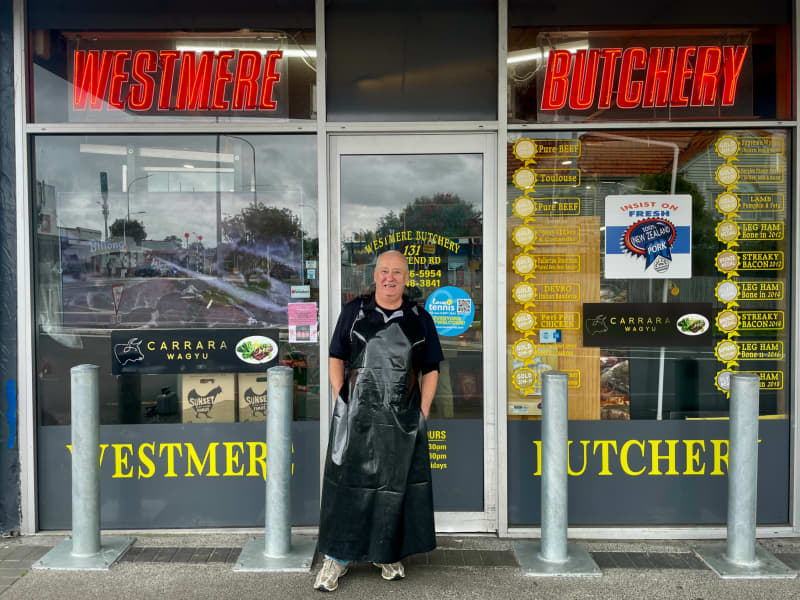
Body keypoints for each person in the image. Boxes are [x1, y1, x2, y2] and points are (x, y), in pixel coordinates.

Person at [314, 250, 443, 592]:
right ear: (374, 276)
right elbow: (336, 356)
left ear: (406, 278)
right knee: (346, 486)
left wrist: (422, 410)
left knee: (393, 486)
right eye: (384, 271)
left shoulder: (419, 318)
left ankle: (386, 553)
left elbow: (431, 368)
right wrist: (344, 398)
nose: (390, 277)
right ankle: (336, 559)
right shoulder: (353, 312)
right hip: (356, 415)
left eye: (397, 272)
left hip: (401, 419)